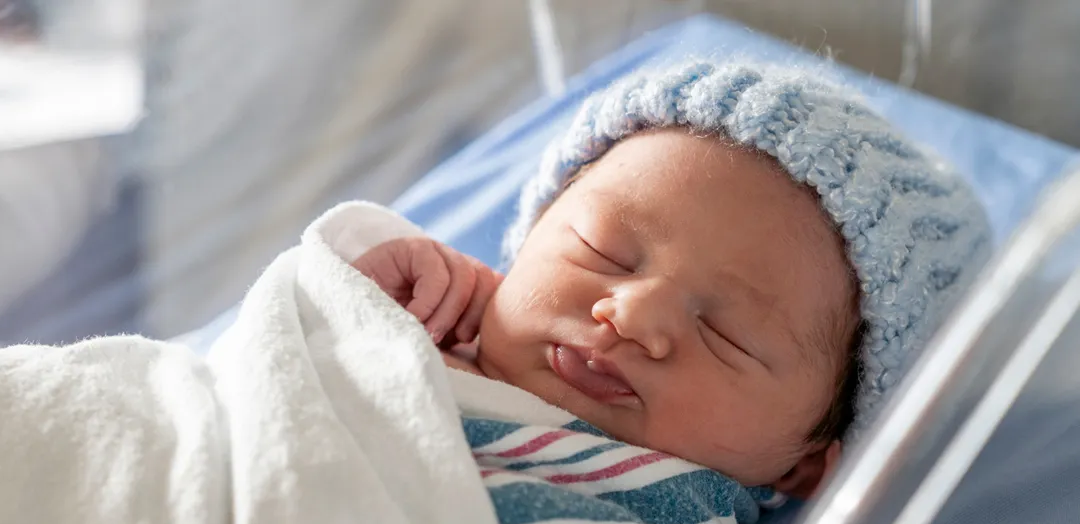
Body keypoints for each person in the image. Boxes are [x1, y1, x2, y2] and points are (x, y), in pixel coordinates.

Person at [352, 60, 989, 499]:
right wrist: (353, 295)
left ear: (801, 469)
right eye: (601, 251)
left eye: (728, 335)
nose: (632, 315)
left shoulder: (664, 519)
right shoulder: (404, 331)